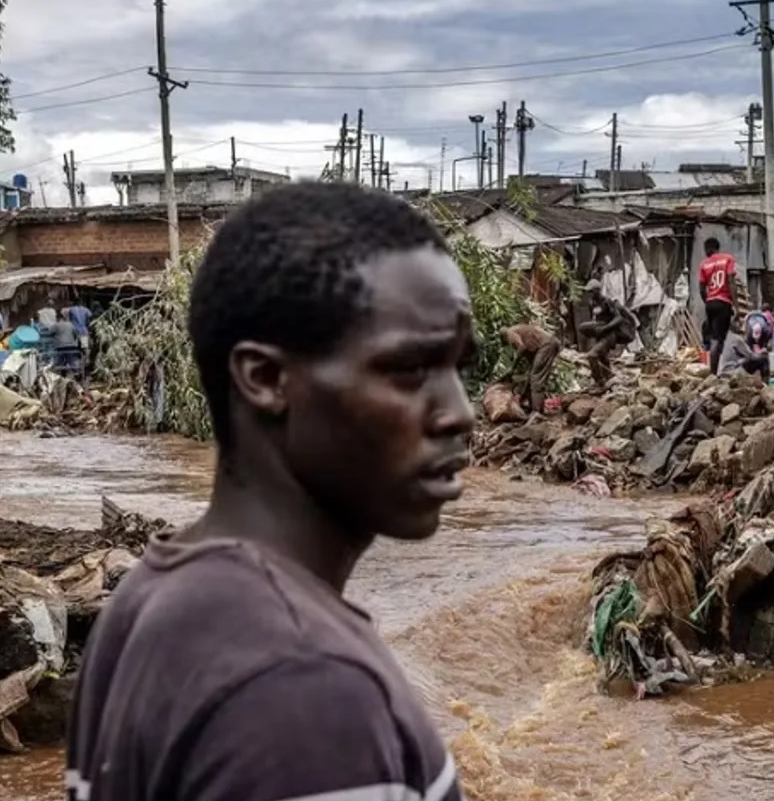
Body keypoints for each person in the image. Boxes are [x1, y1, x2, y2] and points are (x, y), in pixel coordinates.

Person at [65, 183, 471, 801]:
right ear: (265, 379)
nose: (460, 412)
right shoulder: (304, 686)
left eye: (458, 366)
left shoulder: (149, 598)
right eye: (411, 369)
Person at [578, 279, 635, 387]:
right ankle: (609, 378)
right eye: (588, 292)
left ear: (597, 291)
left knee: (591, 355)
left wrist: (605, 328)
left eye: (591, 291)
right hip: (601, 334)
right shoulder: (592, 303)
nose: (590, 294)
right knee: (602, 357)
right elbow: (594, 320)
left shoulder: (607, 302)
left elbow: (618, 318)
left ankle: (599, 382)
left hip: (610, 334)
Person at [698, 237, 737, 375]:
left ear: (709, 249)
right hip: (723, 301)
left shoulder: (704, 264)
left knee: (715, 337)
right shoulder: (728, 259)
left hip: (711, 302)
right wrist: (735, 304)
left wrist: (708, 301)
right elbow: (731, 281)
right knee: (718, 339)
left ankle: (717, 370)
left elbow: (702, 289)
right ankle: (714, 373)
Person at [504, 323, 560, 412]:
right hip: (548, 343)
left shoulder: (510, 333)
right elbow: (529, 350)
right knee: (532, 376)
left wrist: (513, 367)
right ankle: (531, 406)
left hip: (547, 344)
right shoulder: (520, 330)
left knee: (536, 378)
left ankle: (537, 411)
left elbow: (522, 347)